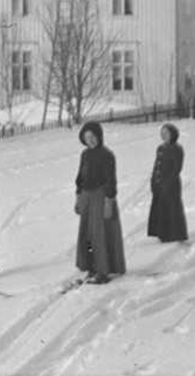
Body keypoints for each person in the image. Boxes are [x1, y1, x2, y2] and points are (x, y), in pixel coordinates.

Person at [74, 121, 126, 284]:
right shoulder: (85, 155)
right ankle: (92, 266)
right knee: (88, 235)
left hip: (101, 197)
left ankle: (103, 271)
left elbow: (111, 180)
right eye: (87, 137)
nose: (90, 140)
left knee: (100, 235)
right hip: (86, 198)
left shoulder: (107, 155)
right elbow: (80, 178)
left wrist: (109, 201)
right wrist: (78, 197)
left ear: (99, 136)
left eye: (93, 136)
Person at [147, 123, 188, 242]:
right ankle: (162, 233)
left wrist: (167, 183)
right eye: (162, 133)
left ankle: (175, 234)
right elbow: (157, 166)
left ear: (173, 134)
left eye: (166, 133)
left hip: (171, 185)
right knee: (161, 208)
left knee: (172, 208)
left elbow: (176, 168)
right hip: (159, 184)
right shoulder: (160, 148)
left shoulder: (177, 149)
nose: (164, 135)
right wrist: (154, 181)